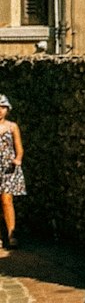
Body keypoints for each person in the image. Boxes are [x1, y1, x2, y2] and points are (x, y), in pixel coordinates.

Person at [0, 96, 25, 251]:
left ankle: (11, 234)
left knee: (6, 199)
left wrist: (18, 159)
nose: (0, 110)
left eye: (3, 107)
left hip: (8, 168)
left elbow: (19, 147)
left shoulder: (12, 126)